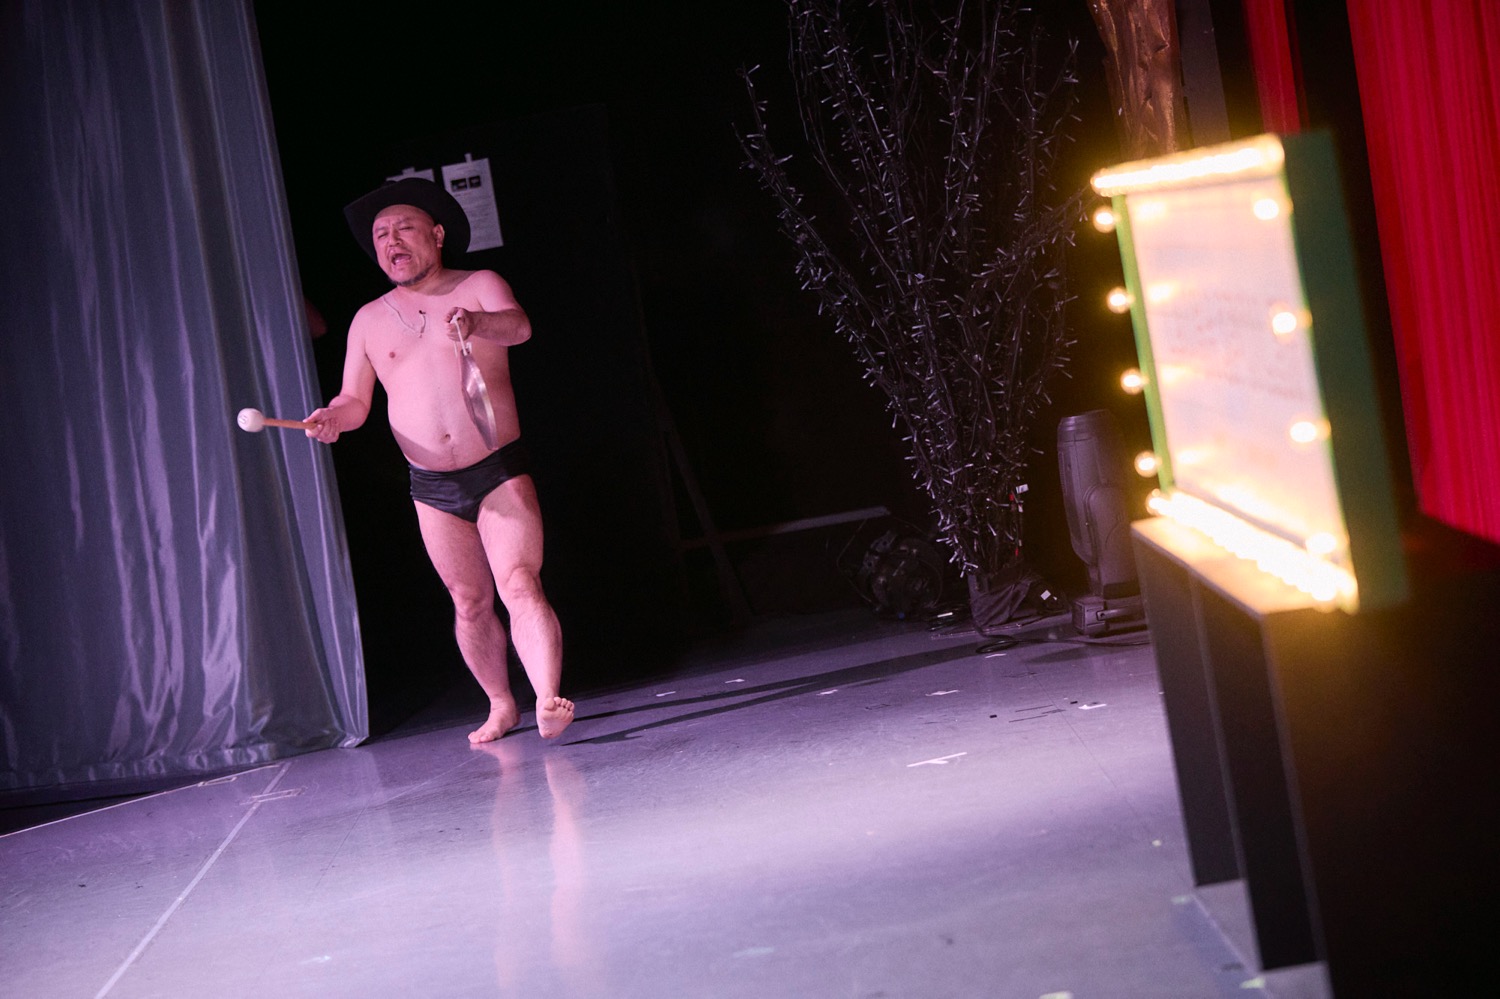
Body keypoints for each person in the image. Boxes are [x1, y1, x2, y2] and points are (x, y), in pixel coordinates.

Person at [305, 177, 573, 743]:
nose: (392, 241)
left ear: (438, 234)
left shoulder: (479, 284)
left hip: (496, 468)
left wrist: (477, 322)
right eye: (382, 234)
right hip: (431, 485)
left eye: (404, 228)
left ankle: (548, 696)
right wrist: (332, 417)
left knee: (518, 582)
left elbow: (520, 327)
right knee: (469, 601)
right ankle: (501, 704)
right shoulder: (368, 319)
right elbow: (355, 402)